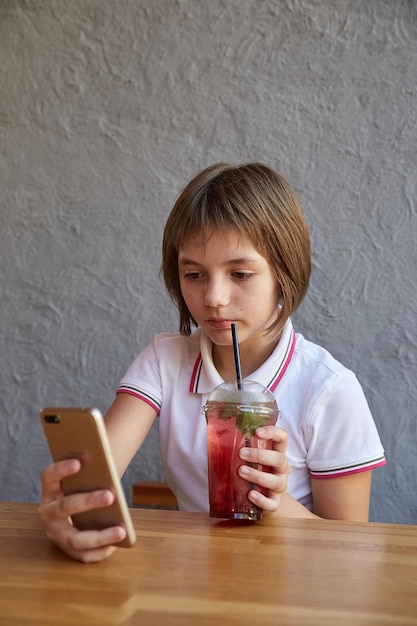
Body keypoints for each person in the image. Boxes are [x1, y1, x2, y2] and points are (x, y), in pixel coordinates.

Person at [39, 162, 386, 562]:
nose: (214, 298)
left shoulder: (328, 389)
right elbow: (97, 480)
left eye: (240, 273)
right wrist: (66, 518)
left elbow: (352, 552)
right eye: (194, 274)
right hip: (196, 580)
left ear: (284, 273)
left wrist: (274, 503)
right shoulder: (164, 361)